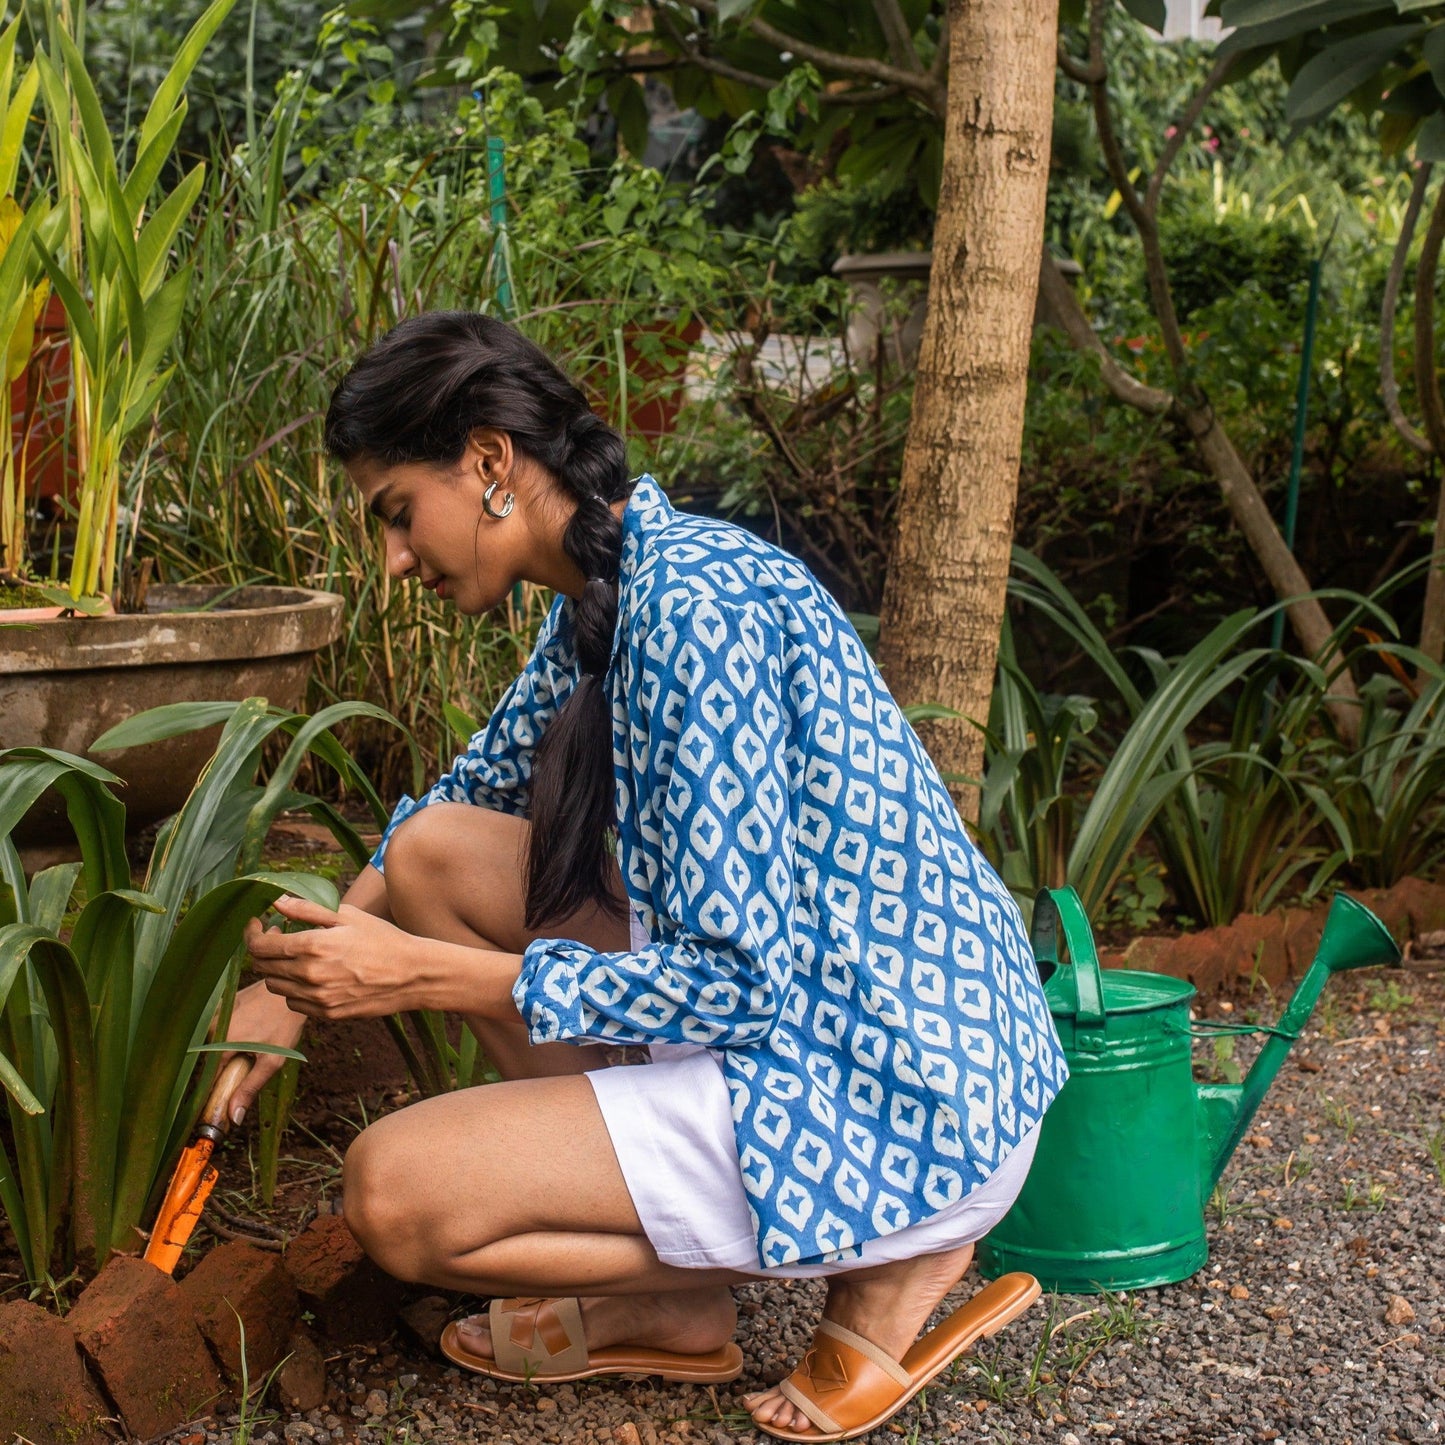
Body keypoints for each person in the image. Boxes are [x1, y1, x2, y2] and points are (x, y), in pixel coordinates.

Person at [232, 311, 1068, 1442]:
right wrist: (286, 987)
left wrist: (420, 976)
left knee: (391, 1189)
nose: (391, 558)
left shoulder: (692, 611)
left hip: (883, 1076)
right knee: (435, 853)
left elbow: (734, 983)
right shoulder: (611, 580)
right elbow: (458, 801)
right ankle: (673, 1300)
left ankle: (879, 1248)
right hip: (816, 1008)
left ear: (487, 462)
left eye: (395, 513)